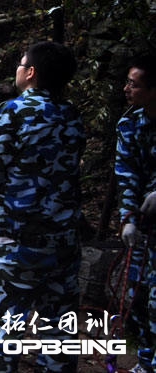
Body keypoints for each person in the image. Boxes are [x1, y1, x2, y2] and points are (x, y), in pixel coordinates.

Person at [0, 42, 84, 373]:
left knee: (6, 327)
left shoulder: (15, 111)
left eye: (20, 65)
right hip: (63, 241)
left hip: (17, 240)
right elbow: (29, 138)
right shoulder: (71, 114)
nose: (17, 70)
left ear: (31, 73)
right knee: (58, 328)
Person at [112, 53, 156, 373]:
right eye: (127, 82)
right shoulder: (130, 123)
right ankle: (144, 360)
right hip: (144, 222)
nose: (127, 89)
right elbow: (127, 173)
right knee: (136, 295)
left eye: (134, 84)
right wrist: (128, 217)